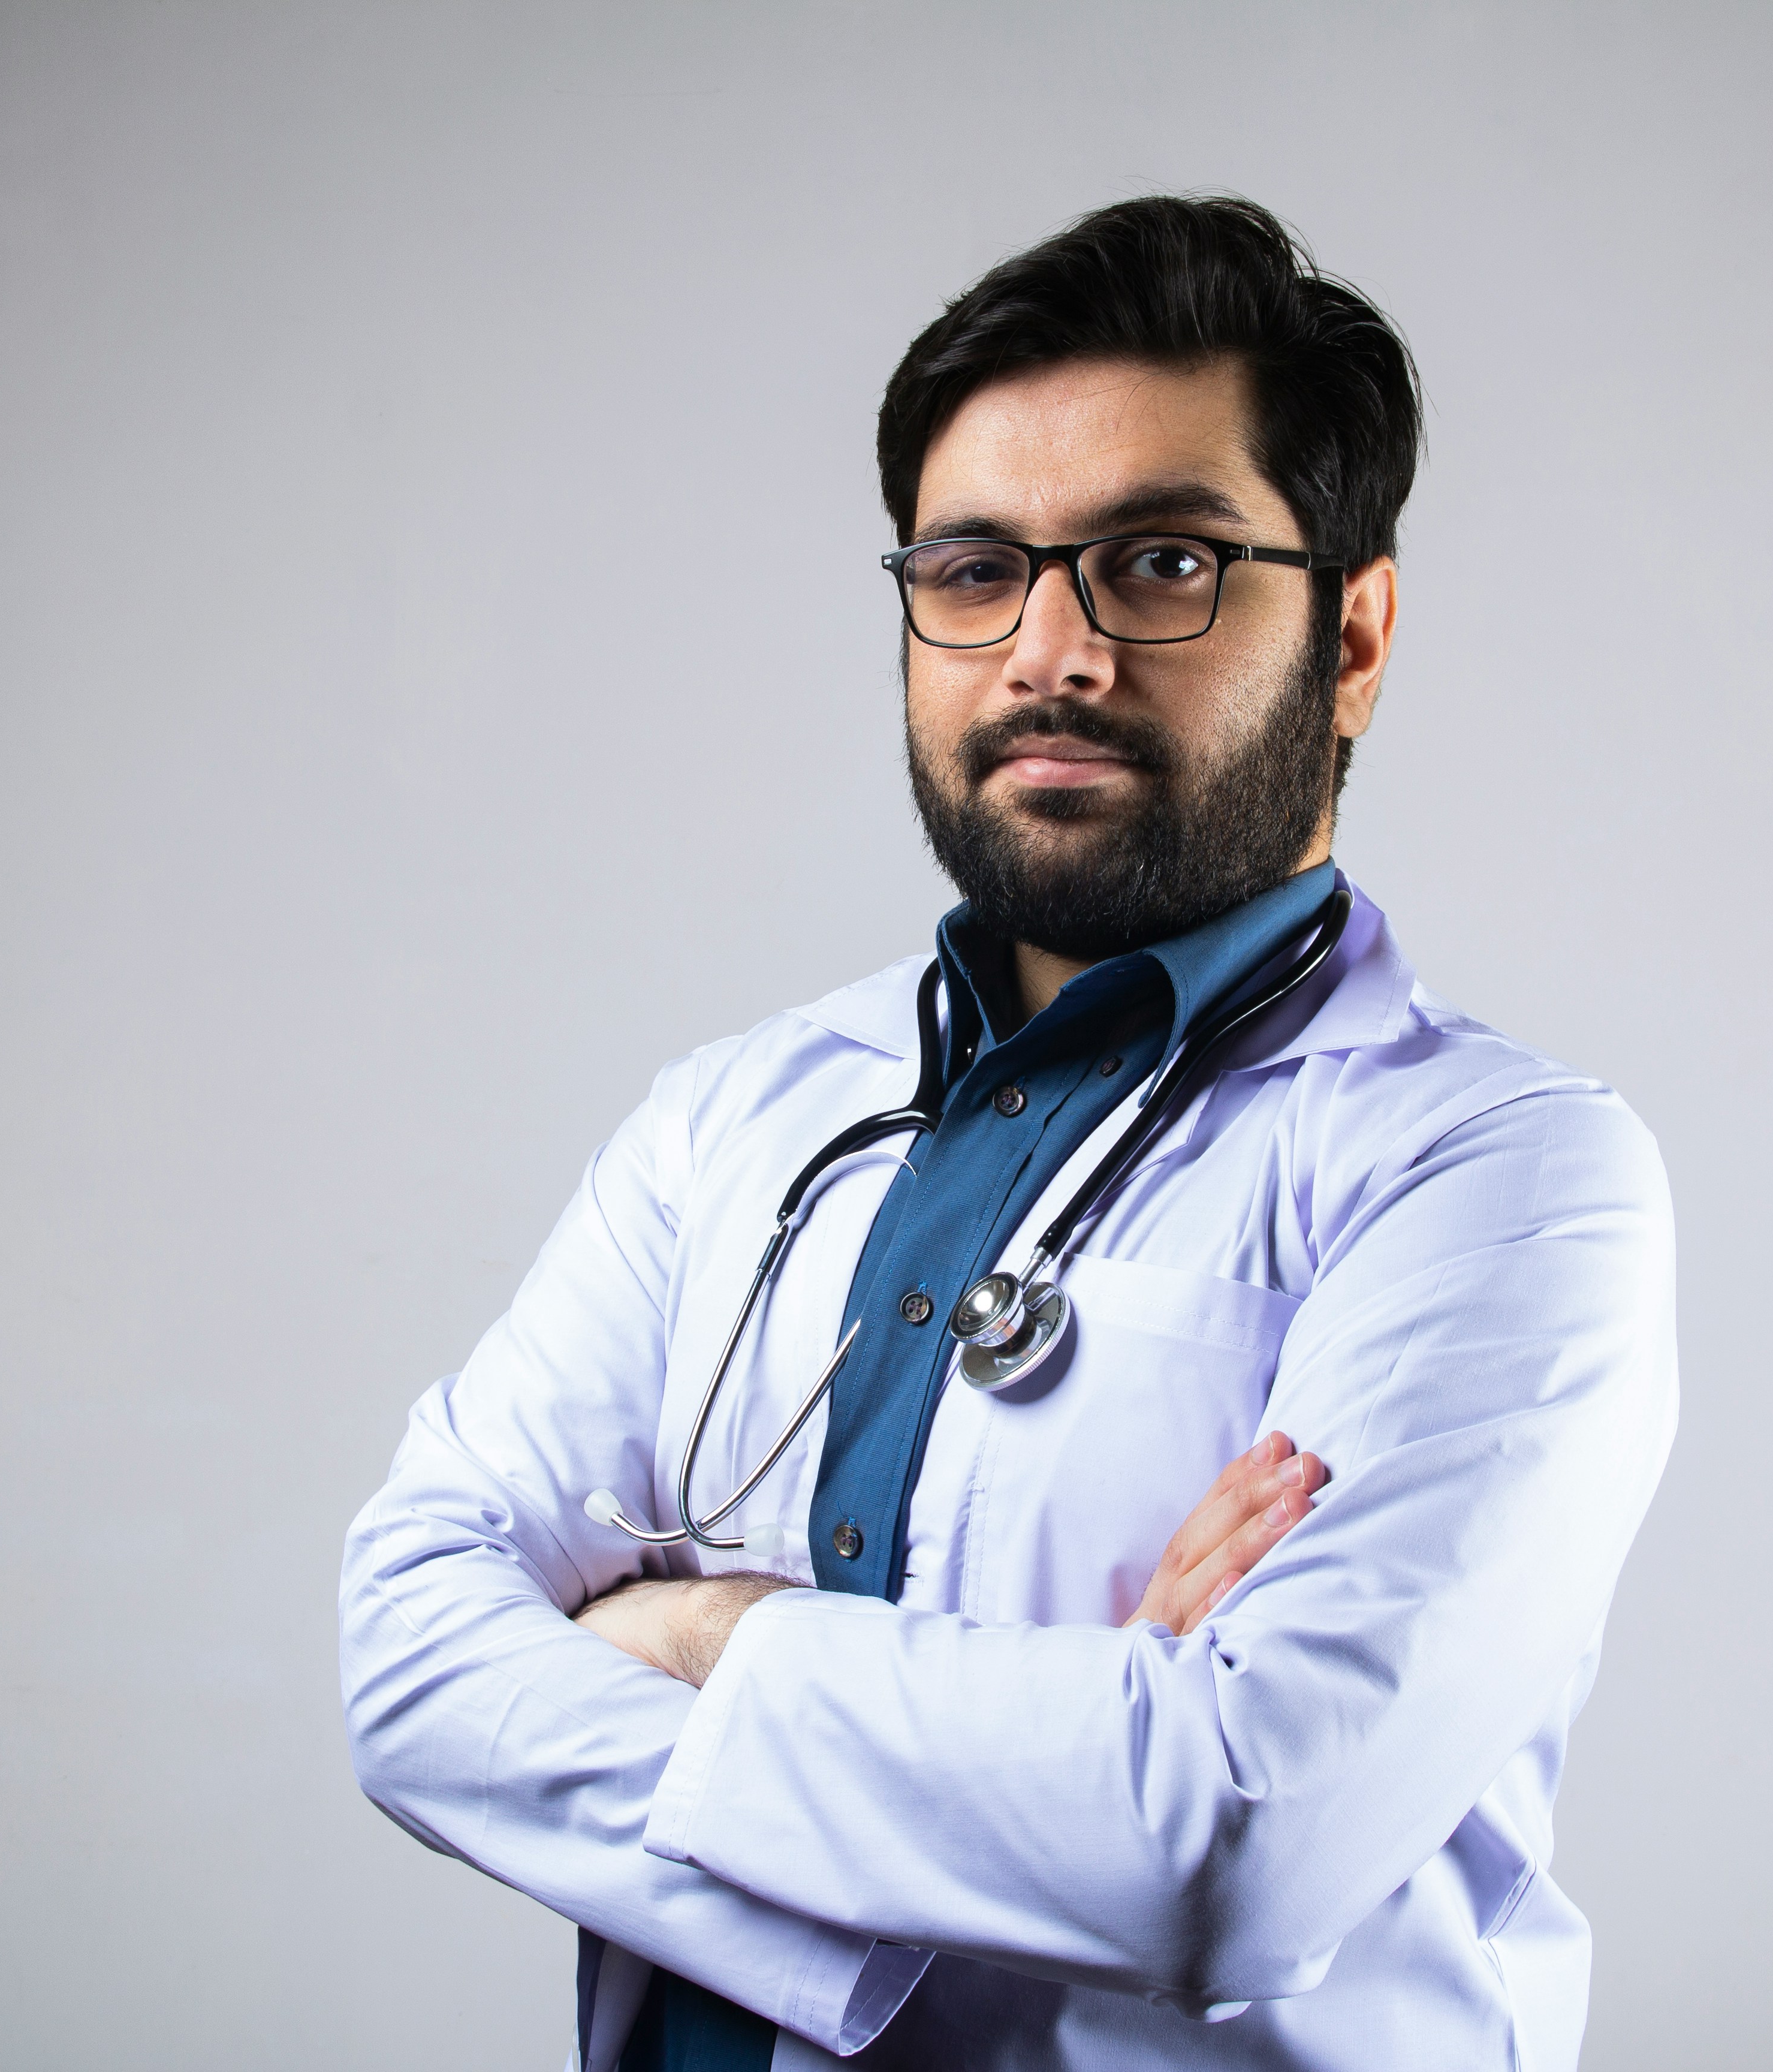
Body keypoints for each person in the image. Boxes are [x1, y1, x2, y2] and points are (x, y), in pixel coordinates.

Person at [340, 194, 1678, 2071]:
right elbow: (409, 1666)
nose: (1051, 651)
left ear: (1355, 635)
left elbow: (1233, 1851)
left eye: (1162, 563)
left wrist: (696, 1637)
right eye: (975, 569)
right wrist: (1084, 1729)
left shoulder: (1500, 1176)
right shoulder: (730, 1120)